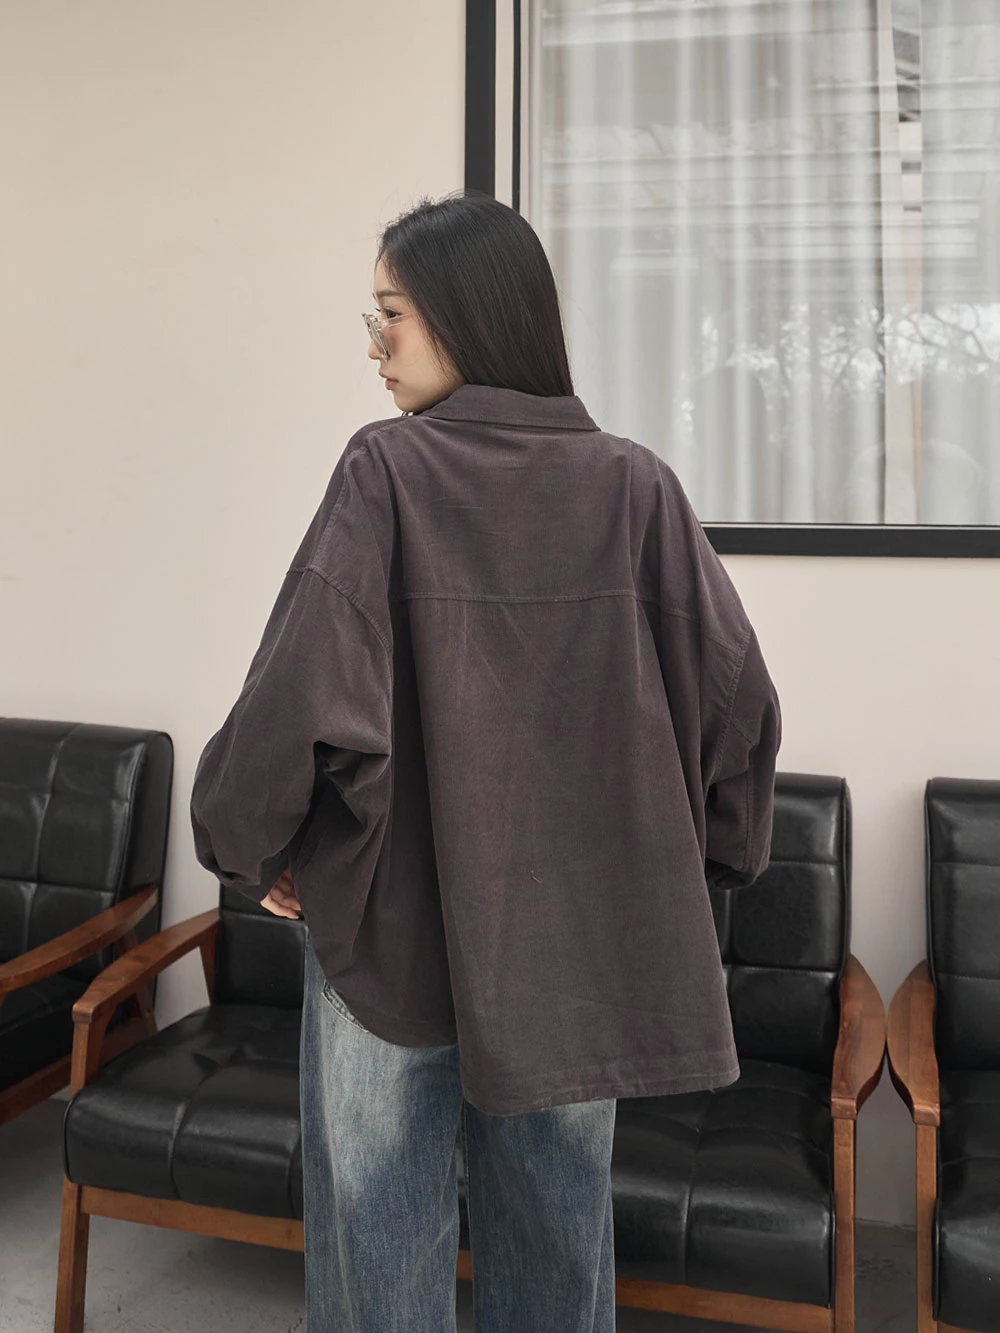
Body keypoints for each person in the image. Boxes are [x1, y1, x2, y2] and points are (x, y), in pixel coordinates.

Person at [190, 189, 782, 1333]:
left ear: (467, 313)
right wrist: (694, 866)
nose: (374, 346)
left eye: (391, 315)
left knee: (379, 1245)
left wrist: (247, 843)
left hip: (389, 935)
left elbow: (294, 691)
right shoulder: (636, 486)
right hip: (577, 953)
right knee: (556, 1238)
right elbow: (740, 710)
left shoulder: (385, 471)